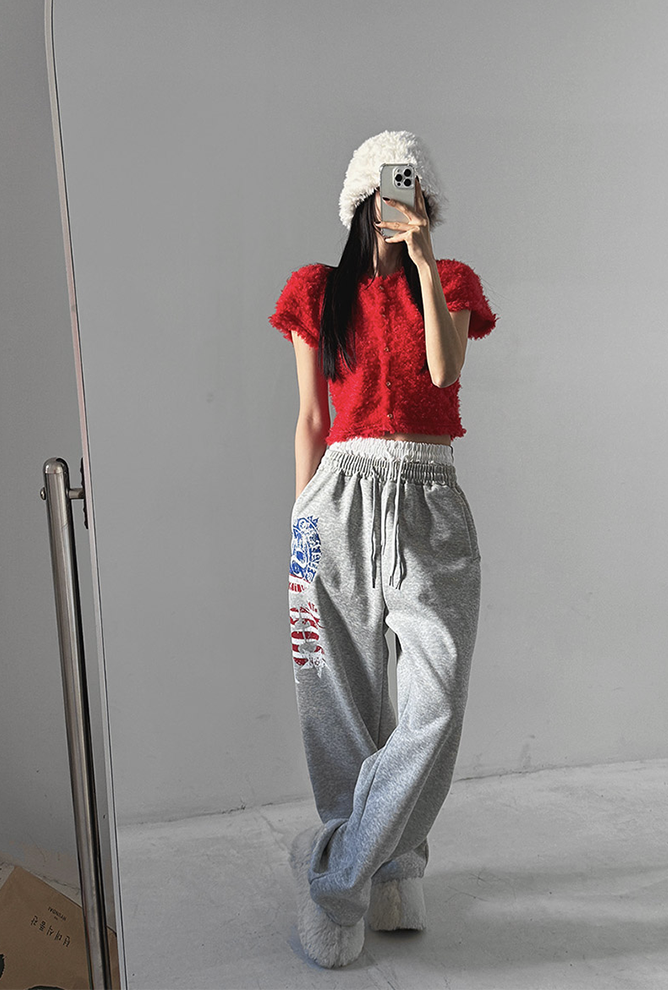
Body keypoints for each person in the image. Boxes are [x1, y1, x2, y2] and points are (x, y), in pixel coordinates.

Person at [268, 130, 497, 968]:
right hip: (335, 501)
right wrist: (300, 526)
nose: (400, 203)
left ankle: (335, 877)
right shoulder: (317, 290)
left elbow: (442, 373)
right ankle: (391, 866)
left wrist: (427, 262)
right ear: (361, 199)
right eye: (388, 189)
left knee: (434, 706)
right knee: (339, 706)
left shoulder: (453, 280)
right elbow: (310, 419)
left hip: (430, 498)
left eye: (415, 190)